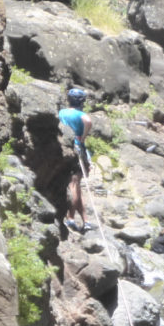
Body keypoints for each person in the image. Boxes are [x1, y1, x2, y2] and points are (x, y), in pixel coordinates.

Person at [58, 87, 95, 233]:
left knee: (75, 186)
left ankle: (85, 220)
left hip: (65, 148)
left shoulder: (61, 113)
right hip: (78, 149)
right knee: (74, 184)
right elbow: (88, 121)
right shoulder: (81, 115)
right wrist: (83, 137)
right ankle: (71, 218)